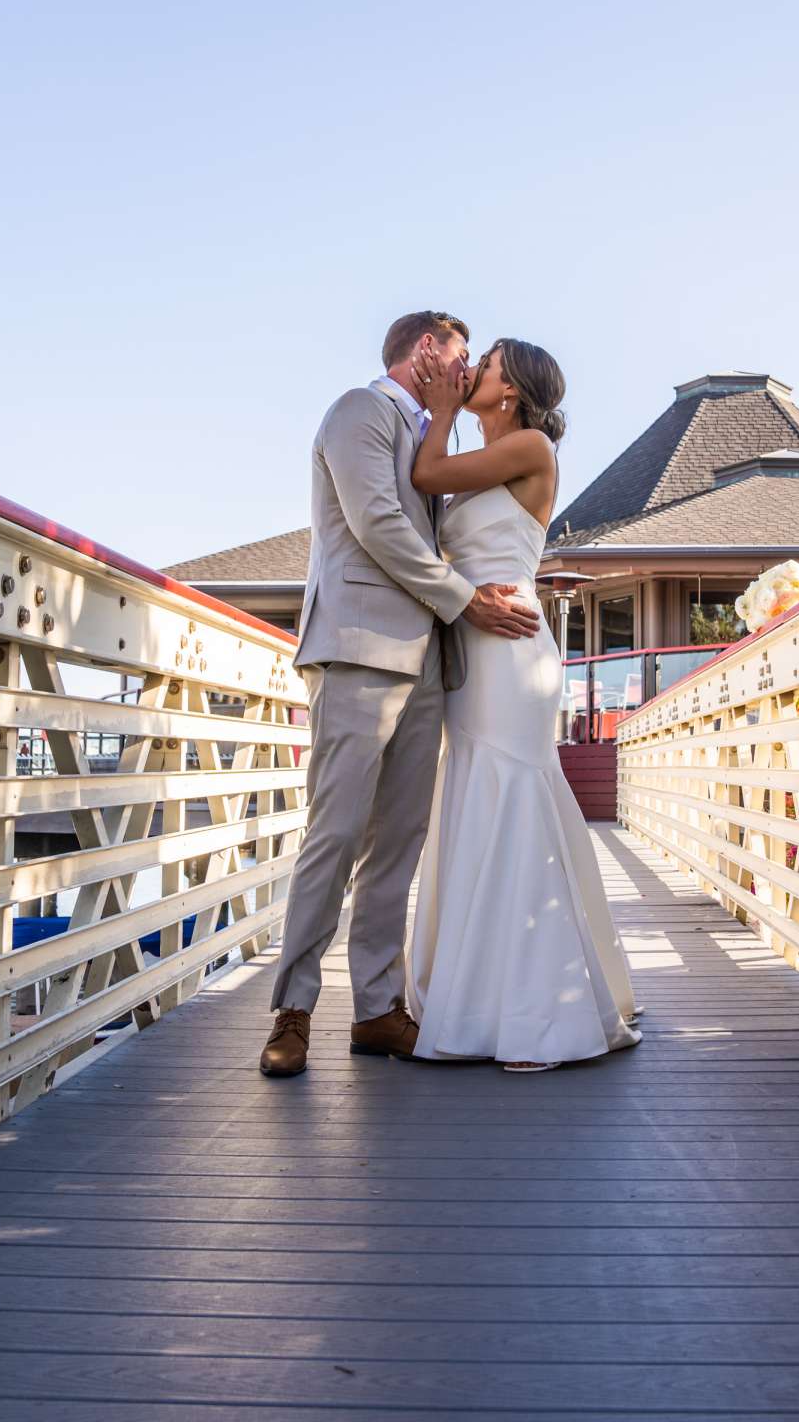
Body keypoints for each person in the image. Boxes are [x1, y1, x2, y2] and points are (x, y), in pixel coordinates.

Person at [257, 312, 542, 1078]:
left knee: (397, 845)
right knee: (336, 834)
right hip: (357, 651)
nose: (465, 366)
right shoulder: (358, 410)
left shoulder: (428, 435)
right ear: (426, 351)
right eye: (459, 354)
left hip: (427, 665)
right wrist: (464, 599)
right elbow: (378, 523)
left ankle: (377, 1010)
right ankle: (292, 1012)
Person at [401, 337, 641, 1072]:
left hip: (511, 647)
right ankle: (474, 997)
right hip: (471, 644)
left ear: (511, 392)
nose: (475, 372)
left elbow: (425, 472)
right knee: (476, 792)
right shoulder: (483, 464)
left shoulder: (530, 445)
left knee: (512, 794)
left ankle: (540, 1014)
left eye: (490, 363)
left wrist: (438, 406)